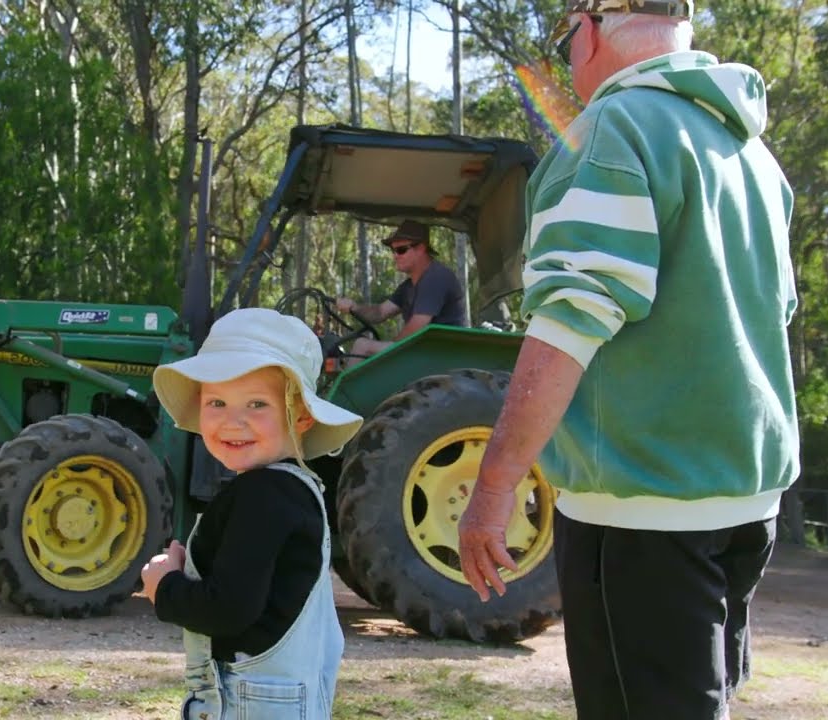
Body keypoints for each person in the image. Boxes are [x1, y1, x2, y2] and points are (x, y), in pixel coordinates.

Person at [457, 2, 798, 719]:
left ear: (588, 29)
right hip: (744, 501)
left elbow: (570, 322)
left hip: (644, 513)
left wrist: (491, 490)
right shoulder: (750, 154)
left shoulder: (615, 130)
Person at [140, 307, 363, 719]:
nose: (232, 421)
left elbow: (228, 608)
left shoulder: (262, 495)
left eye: (256, 403)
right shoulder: (295, 488)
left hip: (252, 703)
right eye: (217, 402)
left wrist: (165, 586)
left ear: (300, 416)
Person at [335, 219, 467, 359]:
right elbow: (380, 312)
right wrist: (354, 307)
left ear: (421, 248)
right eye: (393, 250)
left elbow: (417, 326)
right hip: (425, 351)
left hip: (443, 355)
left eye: (401, 250)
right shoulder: (408, 287)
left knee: (363, 346)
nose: (395, 256)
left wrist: (391, 351)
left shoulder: (436, 277)